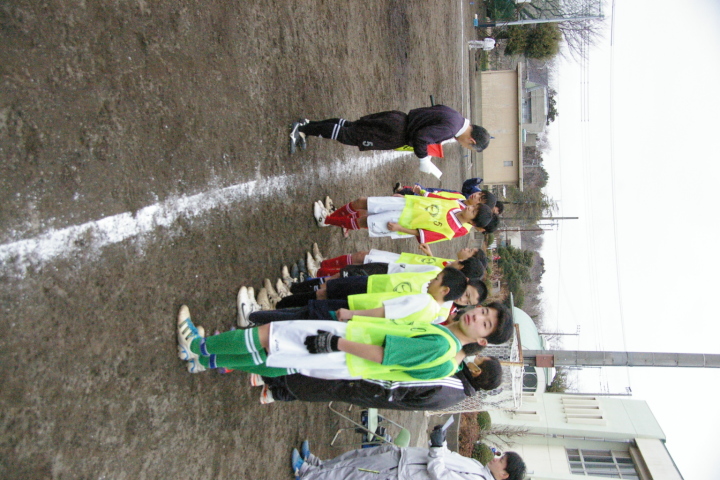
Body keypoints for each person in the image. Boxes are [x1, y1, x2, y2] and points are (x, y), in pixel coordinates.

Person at [176, 302, 514, 380]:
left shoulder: (442, 346)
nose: (476, 317)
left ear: (482, 340)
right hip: (346, 358)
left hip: (344, 348)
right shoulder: (448, 351)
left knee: (271, 336)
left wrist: (336, 343)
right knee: (275, 360)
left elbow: (385, 355)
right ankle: (205, 360)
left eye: (485, 324)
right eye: (483, 311)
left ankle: (196, 347)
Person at [257, 354, 503, 408]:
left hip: (369, 384)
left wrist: (370, 371)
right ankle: (274, 392)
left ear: (477, 372)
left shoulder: (450, 383)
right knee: (320, 387)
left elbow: (401, 386)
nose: (475, 357)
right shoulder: (457, 390)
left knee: (317, 382)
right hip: (370, 389)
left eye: (479, 360)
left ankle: (265, 377)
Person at [288, 105, 491, 167]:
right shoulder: (451, 129)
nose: (464, 147)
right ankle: (303, 130)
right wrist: (424, 159)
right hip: (394, 133)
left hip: (397, 119)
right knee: (349, 135)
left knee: (350, 126)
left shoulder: (455, 115)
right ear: (471, 140)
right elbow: (421, 137)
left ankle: (308, 125)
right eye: (468, 147)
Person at [290, 438, 526, 480]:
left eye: (502, 460)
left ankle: (307, 473)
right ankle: (318, 465)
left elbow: (440, 474)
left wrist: (437, 448)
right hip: (404, 457)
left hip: (402, 472)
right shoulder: (478, 467)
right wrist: (441, 441)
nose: (497, 458)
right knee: (357, 457)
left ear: (504, 475)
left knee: (354, 472)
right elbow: (448, 457)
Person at [316, 194, 493, 244]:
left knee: (362, 222)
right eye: (474, 206)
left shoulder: (450, 231)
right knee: (361, 202)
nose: (470, 207)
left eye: (473, 212)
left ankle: (327, 220)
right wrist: (406, 196)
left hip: (401, 221)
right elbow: (430, 199)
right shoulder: (456, 203)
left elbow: (422, 234)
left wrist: (400, 228)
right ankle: (329, 217)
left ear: (472, 223)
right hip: (404, 204)